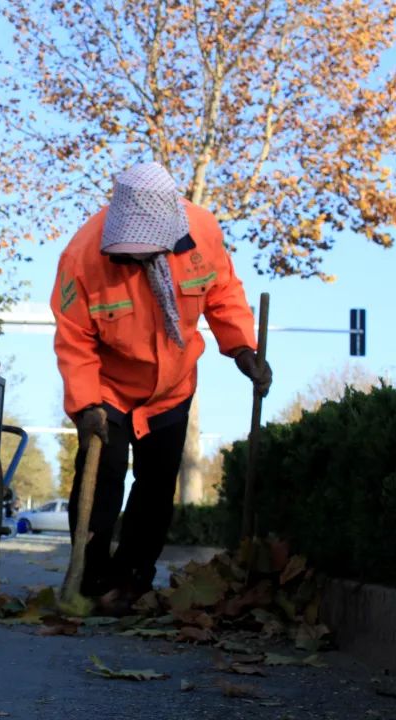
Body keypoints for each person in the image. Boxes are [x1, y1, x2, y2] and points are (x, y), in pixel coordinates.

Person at [50, 161, 272, 607]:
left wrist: (243, 350)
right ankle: (90, 574)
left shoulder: (202, 234)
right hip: (107, 388)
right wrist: (86, 405)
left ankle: (133, 577)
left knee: (155, 486)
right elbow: (73, 339)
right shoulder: (82, 256)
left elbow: (223, 294)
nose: (132, 259)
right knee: (103, 479)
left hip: (171, 387)